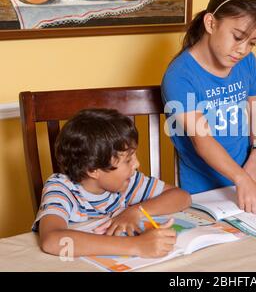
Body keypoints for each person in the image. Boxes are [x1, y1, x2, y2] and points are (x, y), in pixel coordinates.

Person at [161, 0, 256, 219]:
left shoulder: (248, 63)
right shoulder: (179, 76)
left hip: (251, 176)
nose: (243, 50)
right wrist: (240, 178)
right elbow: (203, 141)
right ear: (211, 23)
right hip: (205, 190)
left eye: (253, 42)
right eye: (238, 37)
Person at [33, 108, 191, 258]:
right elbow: (52, 241)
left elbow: (182, 197)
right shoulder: (61, 188)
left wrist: (135, 211)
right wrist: (137, 245)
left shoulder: (128, 182)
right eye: (128, 160)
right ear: (93, 169)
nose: (136, 164)